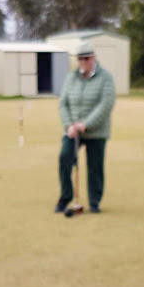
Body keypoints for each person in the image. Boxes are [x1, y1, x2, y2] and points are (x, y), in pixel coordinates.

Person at [55, 42, 116, 214]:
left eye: (86, 58)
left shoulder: (105, 78)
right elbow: (63, 104)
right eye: (80, 59)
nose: (83, 62)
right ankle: (65, 197)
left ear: (93, 58)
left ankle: (94, 202)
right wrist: (69, 126)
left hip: (96, 131)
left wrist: (85, 124)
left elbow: (106, 104)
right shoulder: (70, 77)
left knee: (95, 167)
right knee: (64, 158)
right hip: (72, 130)